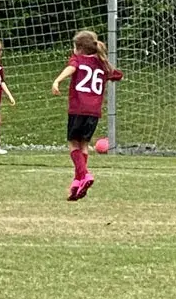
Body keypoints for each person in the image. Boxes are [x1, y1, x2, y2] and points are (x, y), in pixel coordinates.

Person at [52, 30, 123, 201]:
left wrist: (57, 80)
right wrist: (109, 69)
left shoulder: (78, 59)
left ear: (79, 48)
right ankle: (77, 182)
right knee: (83, 144)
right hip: (94, 112)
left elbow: (72, 68)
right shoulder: (101, 64)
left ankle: (84, 175)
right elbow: (118, 75)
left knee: (72, 143)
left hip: (78, 109)